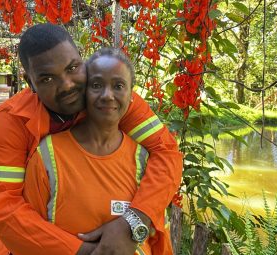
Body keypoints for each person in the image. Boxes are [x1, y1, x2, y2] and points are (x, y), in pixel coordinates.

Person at [0, 23, 182, 254]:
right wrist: (82, 251)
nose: (67, 85)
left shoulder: (109, 98)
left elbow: (166, 152)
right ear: (30, 83)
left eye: (73, 67)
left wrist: (132, 221)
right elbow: (0, 206)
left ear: (82, 61)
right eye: (47, 79)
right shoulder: (11, 120)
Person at [23, 48, 173, 255]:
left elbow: (157, 239)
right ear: (83, 92)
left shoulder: (145, 160)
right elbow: (30, 236)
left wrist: (130, 226)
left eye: (118, 86)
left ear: (131, 96)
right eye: (96, 85)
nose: (107, 95)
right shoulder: (48, 155)